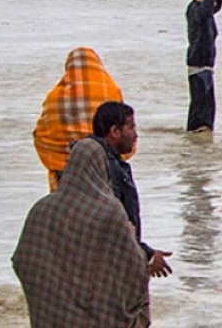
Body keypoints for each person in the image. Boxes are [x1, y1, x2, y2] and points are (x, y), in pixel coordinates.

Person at [13, 135, 150, 328]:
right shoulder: (110, 211)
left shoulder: (42, 208)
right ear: (100, 167)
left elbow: (23, 260)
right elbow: (133, 269)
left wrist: (49, 293)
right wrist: (142, 249)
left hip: (51, 318)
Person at [69, 102, 173, 278]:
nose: (135, 134)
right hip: (105, 268)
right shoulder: (110, 168)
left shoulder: (86, 164)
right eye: (131, 127)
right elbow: (113, 222)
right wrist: (145, 254)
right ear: (115, 132)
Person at [33, 47, 133, 191]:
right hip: (106, 170)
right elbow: (123, 133)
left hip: (66, 172)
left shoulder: (54, 98)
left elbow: (42, 137)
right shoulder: (110, 91)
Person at [186, 0, 222, 132]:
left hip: (205, 64)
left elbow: (213, 8)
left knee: (205, 107)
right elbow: (205, 10)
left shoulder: (204, 13)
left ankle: (198, 134)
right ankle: (196, 133)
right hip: (198, 62)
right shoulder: (194, 10)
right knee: (201, 108)